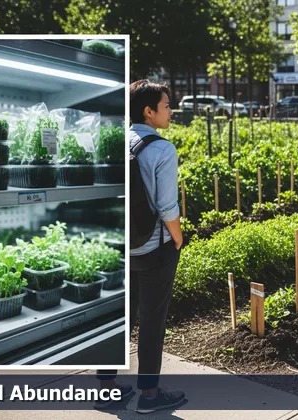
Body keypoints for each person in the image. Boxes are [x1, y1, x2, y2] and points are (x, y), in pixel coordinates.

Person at [95, 80, 185, 413]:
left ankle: (106, 389)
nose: (171, 111)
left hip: (121, 247)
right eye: (166, 106)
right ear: (149, 111)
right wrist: (178, 238)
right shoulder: (162, 149)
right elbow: (167, 207)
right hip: (152, 248)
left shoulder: (116, 143)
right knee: (151, 321)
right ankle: (149, 395)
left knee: (121, 317)